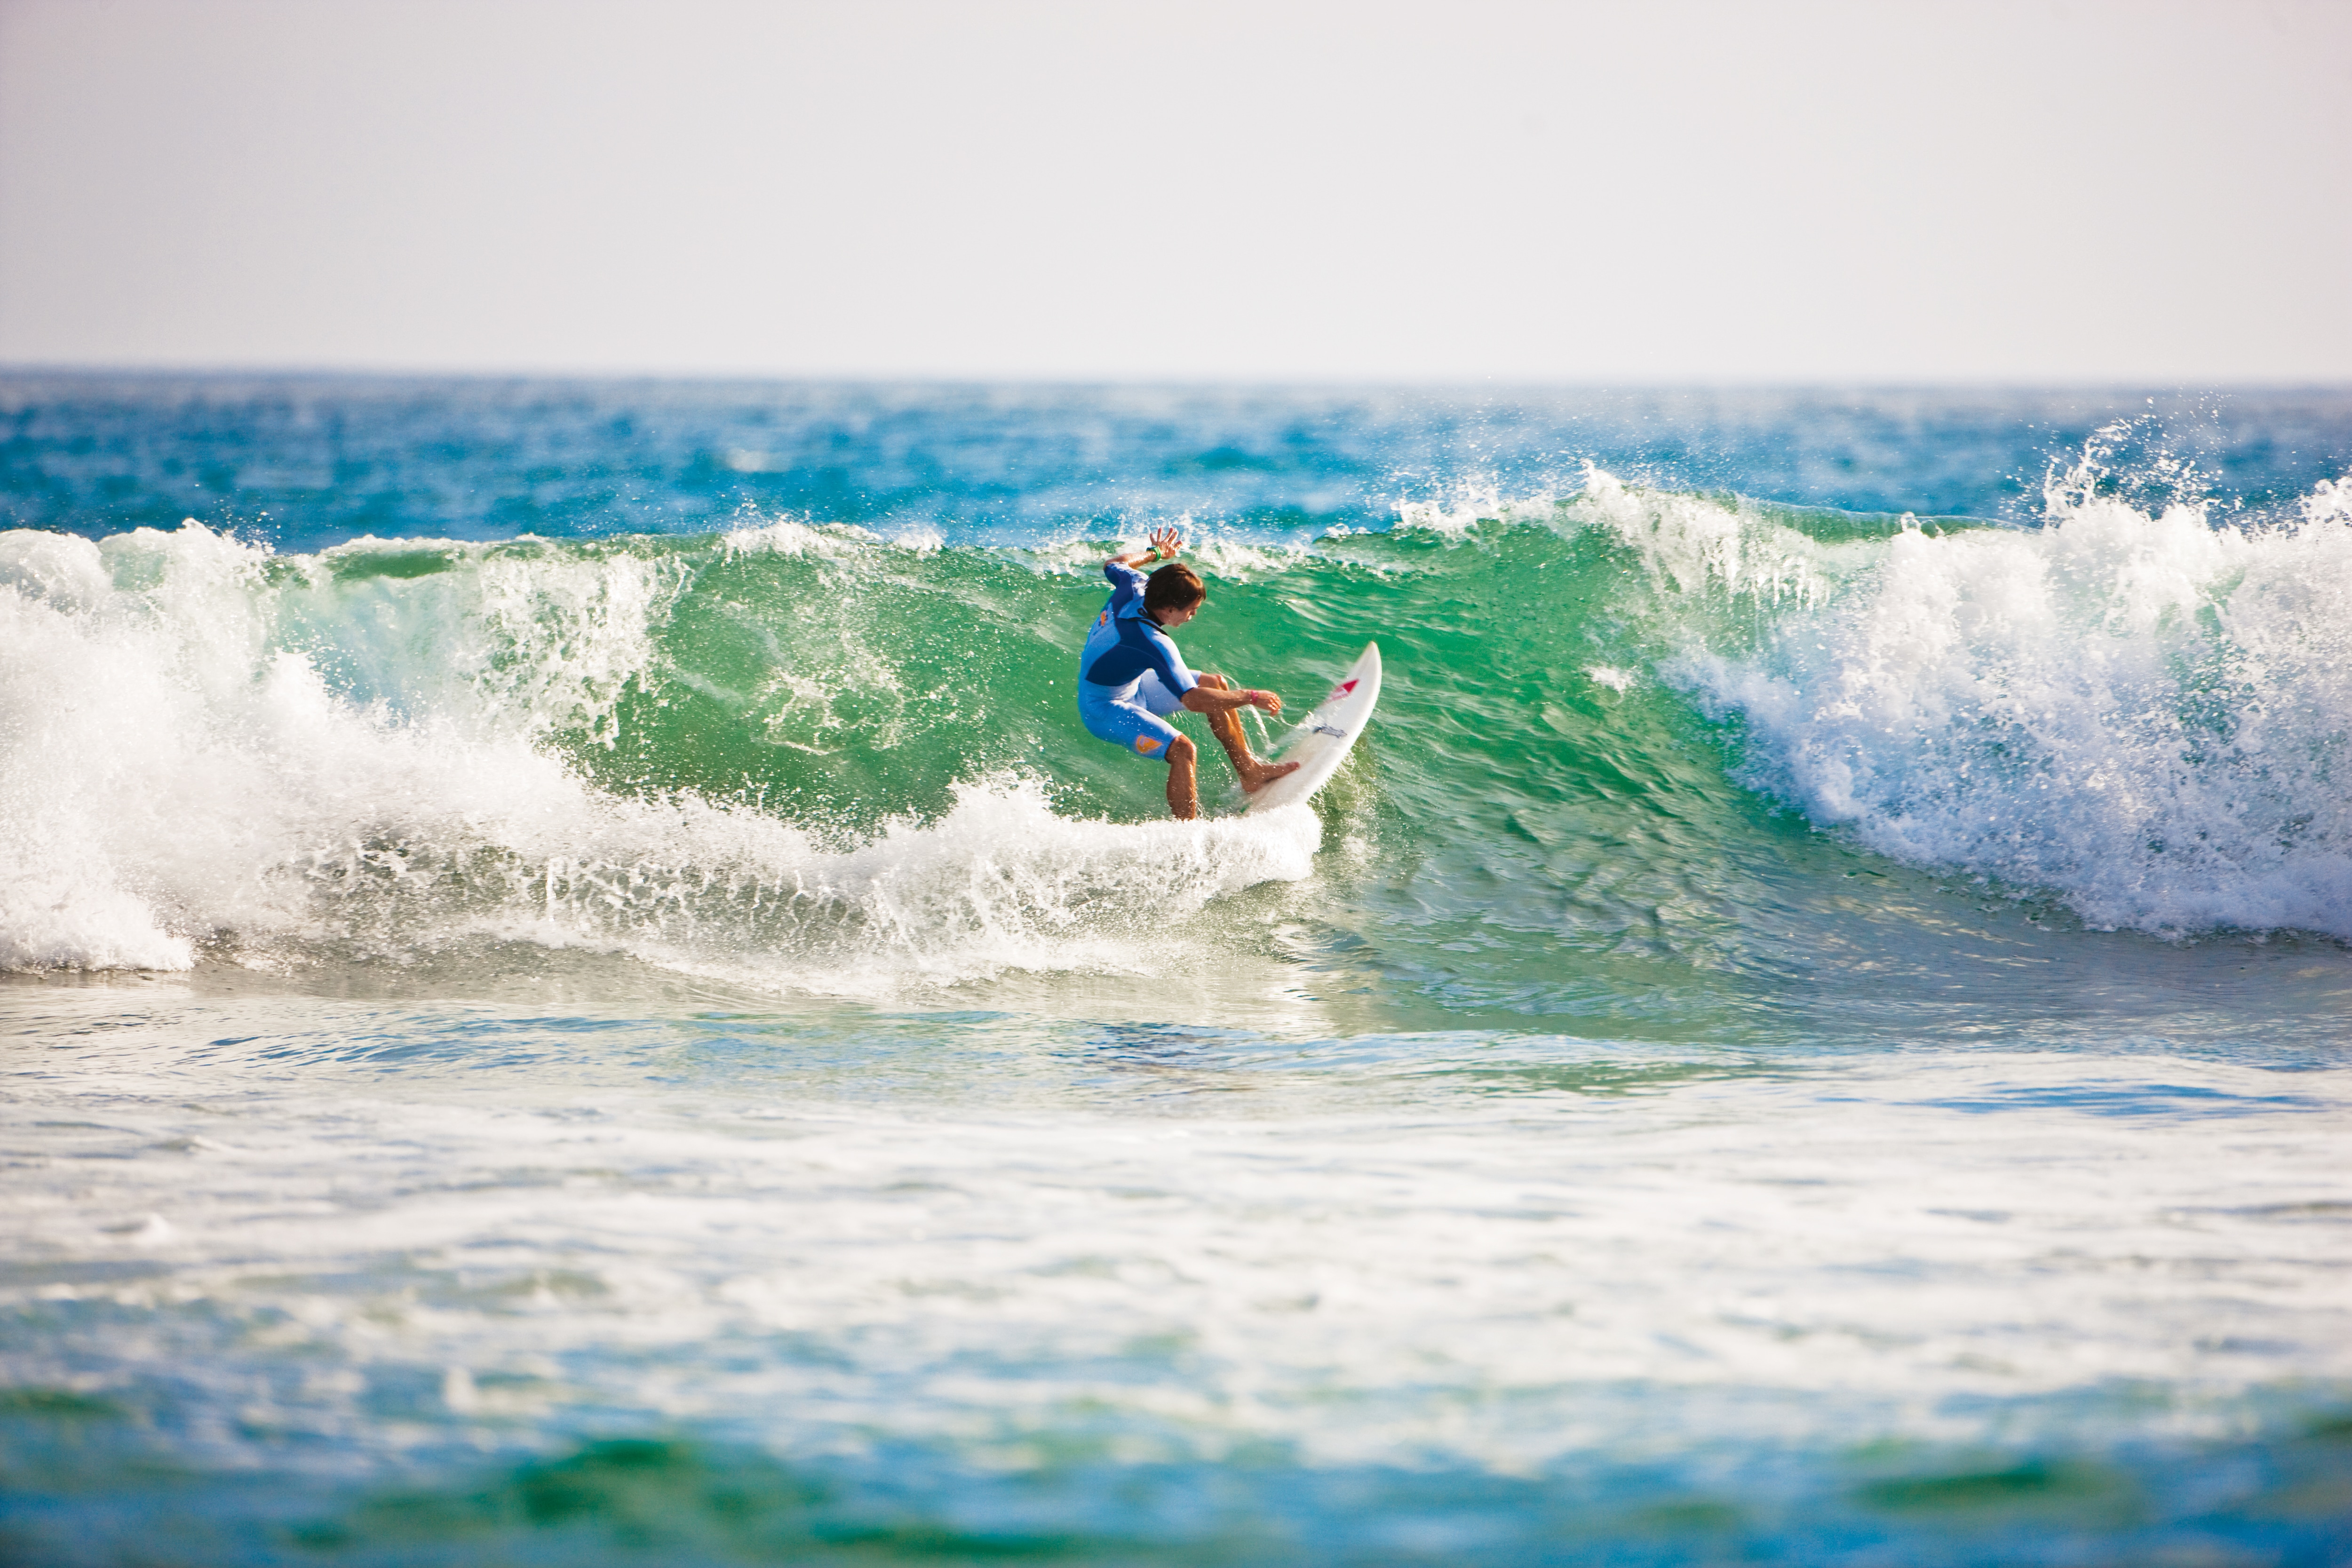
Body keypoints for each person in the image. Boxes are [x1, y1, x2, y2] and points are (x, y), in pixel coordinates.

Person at [1076, 526, 1298, 820]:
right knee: (1183, 750)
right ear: (1169, 608)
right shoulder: (1153, 643)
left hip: (1135, 686)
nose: (1193, 616)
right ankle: (1187, 837)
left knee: (1215, 683)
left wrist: (1156, 553)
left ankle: (1250, 772)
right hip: (1104, 707)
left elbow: (1113, 564)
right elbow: (1193, 700)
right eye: (1191, 610)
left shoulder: (1136, 585)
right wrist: (1251, 696)